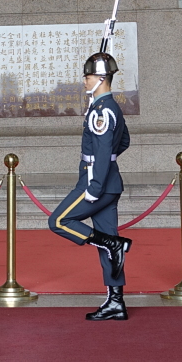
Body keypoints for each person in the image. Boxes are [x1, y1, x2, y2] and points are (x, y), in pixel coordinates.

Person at [48, 53, 133, 320]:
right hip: (109, 180)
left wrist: (95, 186)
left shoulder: (102, 110)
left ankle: (112, 244)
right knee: (108, 239)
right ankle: (115, 302)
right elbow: (125, 141)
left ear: (100, 79)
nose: (84, 80)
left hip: (97, 182)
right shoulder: (109, 107)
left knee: (59, 221)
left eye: (87, 76)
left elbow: (108, 146)